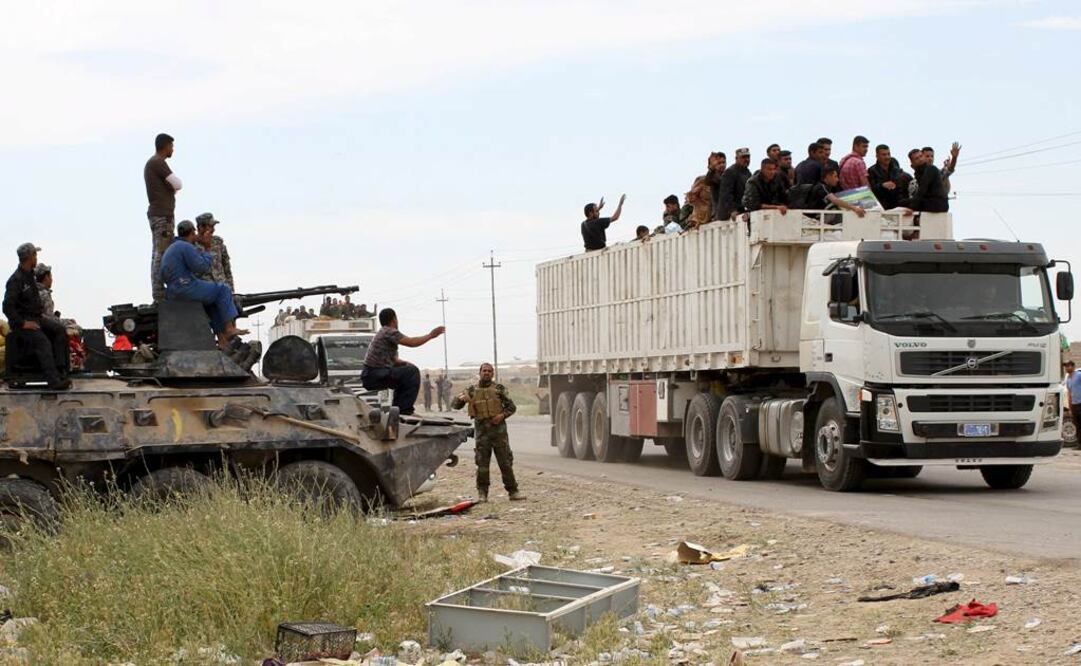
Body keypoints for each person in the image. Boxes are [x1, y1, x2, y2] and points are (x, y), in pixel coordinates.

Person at [160, 220, 245, 347]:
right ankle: (229, 328)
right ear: (192, 232)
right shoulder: (185, 246)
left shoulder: (172, 248)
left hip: (173, 291)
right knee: (223, 289)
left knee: (212, 302)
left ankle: (222, 340)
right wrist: (207, 247)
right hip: (186, 287)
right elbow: (202, 267)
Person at [453, 362, 524, 502]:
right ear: (479, 373)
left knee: (505, 463)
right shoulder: (471, 390)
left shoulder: (499, 389)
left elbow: (511, 407)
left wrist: (501, 416)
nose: (486, 373)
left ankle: (513, 492)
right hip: (482, 433)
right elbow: (455, 405)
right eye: (484, 371)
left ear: (493, 374)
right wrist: (461, 399)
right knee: (482, 464)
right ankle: (482, 493)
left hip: (499, 432)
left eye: (489, 371)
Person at [3, 243, 70, 389]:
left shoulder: (30, 276)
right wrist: (22, 323)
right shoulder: (16, 280)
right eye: (35, 255)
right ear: (29, 257)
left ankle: (60, 371)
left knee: (59, 330)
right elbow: (7, 306)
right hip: (23, 322)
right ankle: (54, 382)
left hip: (37, 317)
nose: (36, 258)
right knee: (42, 342)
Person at [360, 307, 444, 415]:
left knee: (406, 371)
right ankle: (404, 410)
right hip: (374, 374)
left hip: (371, 374)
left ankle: (397, 410)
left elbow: (393, 360)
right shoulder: (389, 331)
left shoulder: (383, 333)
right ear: (394, 319)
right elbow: (411, 342)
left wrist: (404, 363)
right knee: (412, 372)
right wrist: (431, 335)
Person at [145, 133, 183, 303]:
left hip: (158, 215)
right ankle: (159, 294)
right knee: (161, 254)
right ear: (165, 146)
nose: (173, 149)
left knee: (158, 253)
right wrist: (171, 188)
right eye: (171, 146)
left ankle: (158, 291)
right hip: (162, 216)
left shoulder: (152, 164)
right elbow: (178, 184)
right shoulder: (158, 163)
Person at [792, 166, 868, 220]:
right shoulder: (821, 187)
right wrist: (854, 208)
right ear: (828, 176)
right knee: (836, 207)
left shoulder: (824, 187)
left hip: (818, 215)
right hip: (815, 217)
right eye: (835, 176)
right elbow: (835, 200)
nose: (837, 180)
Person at [194, 213, 235, 292]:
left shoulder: (218, 243)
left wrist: (231, 290)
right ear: (201, 227)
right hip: (204, 290)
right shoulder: (192, 245)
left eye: (213, 227)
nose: (213, 230)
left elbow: (227, 269)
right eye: (210, 226)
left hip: (222, 288)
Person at [867, 144, 910, 210]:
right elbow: (871, 189)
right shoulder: (871, 171)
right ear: (877, 156)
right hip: (882, 208)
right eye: (884, 155)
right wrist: (882, 185)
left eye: (888, 154)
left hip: (898, 206)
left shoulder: (897, 170)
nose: (887, 157)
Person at [716, 148, 752, 221]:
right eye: (743, 157)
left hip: (742, 209)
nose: (746, 159)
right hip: (729, 214)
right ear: (736, 158)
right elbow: (726, 194)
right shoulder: (730, 172)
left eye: (748, 157)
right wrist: (732, 210)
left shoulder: (748, 173)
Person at [1065, 360, 1081, 449]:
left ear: (1073, 367)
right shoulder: (1068, 379)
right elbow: (1069, 393)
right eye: (1066, 366)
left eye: (1069, 366)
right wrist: (1070, 407)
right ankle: (1080, 444)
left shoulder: (1079, 375)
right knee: (1077, 425)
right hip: (1074, 405)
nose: (1067, 368)